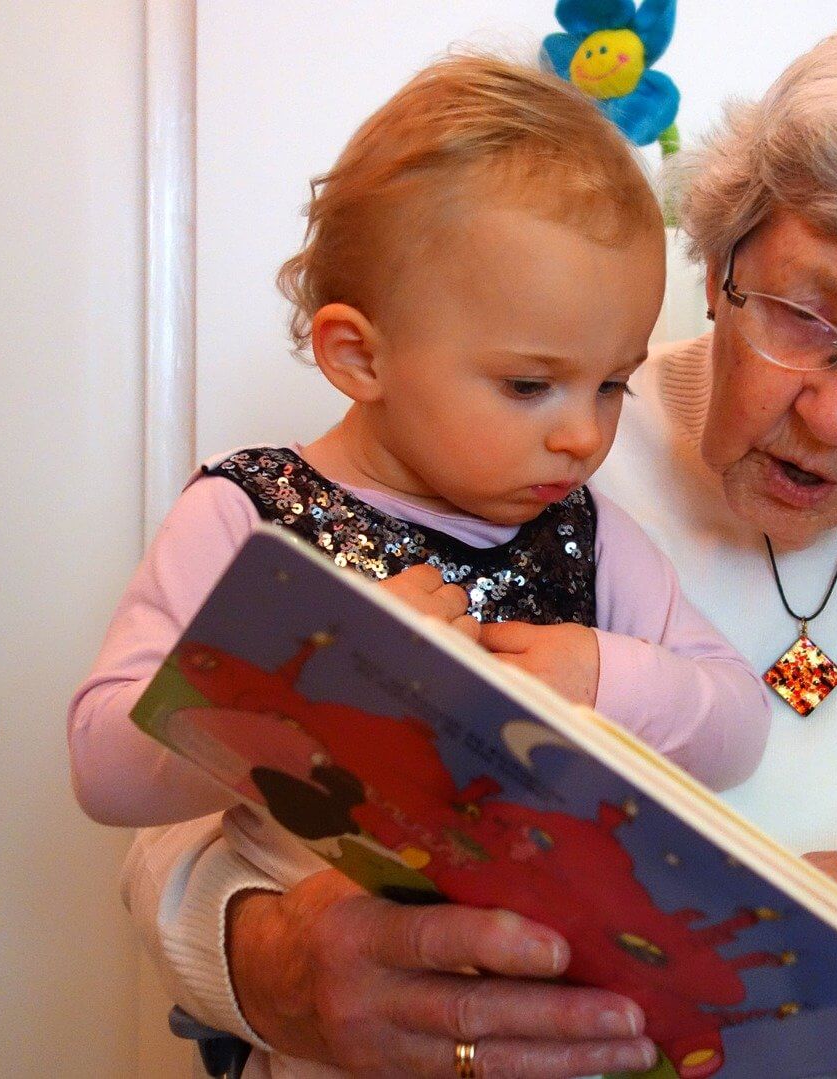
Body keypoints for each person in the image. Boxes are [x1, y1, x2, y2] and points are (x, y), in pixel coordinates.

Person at [125, 17, 837, 1078]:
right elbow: (189, 808)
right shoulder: (538, 434)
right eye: (804, 315)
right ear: (716, 266)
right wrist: (275, 968)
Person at [67, 55, 774, 831]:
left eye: (612, 385)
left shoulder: (587, 536)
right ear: (361, 357)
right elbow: (105, 768)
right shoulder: (246, 513)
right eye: (528, 386)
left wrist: (604, 679)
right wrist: (317, 672)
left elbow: (740, 728)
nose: (582, 436)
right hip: (327, 938)